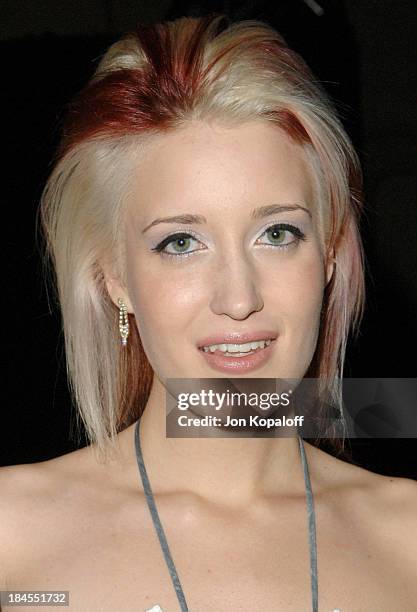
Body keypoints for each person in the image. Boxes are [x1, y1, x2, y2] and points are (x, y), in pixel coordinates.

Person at [0, 13, 416, 612]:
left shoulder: (408, 541)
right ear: (114, 278)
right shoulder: (16, 548)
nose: (239, 298)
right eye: (180, 243)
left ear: (328, 254)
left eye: (277, 233)